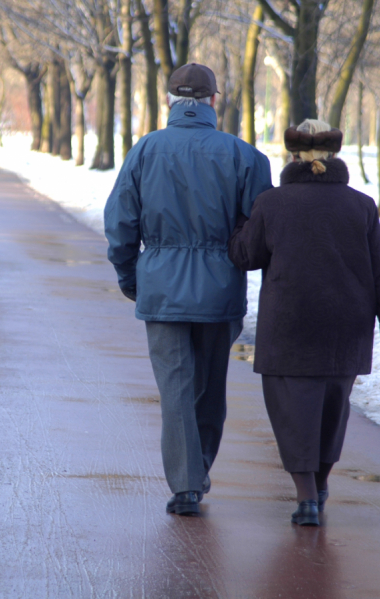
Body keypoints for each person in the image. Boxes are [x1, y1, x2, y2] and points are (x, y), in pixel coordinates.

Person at [104, 63, 273, 517]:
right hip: (219, 290)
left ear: (170, 101)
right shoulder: (245, 156)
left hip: (160, 288)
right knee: (210, 387)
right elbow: (260, 230)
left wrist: (130, 277)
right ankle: (197, 468)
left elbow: (120, 224)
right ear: (214, 101)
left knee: (174, 387)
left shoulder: (145, 151)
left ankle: (185, 485)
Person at [227, 119, 380, 527]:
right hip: (346, 327)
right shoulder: (361, 204)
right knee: (334, 410)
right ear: (334, 155)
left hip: (288, 325)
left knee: (292, 412)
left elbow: (246, 256)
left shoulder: (271, 203)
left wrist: (239, 227)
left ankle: (306, 496)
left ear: (292, 156)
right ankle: (321, 485)